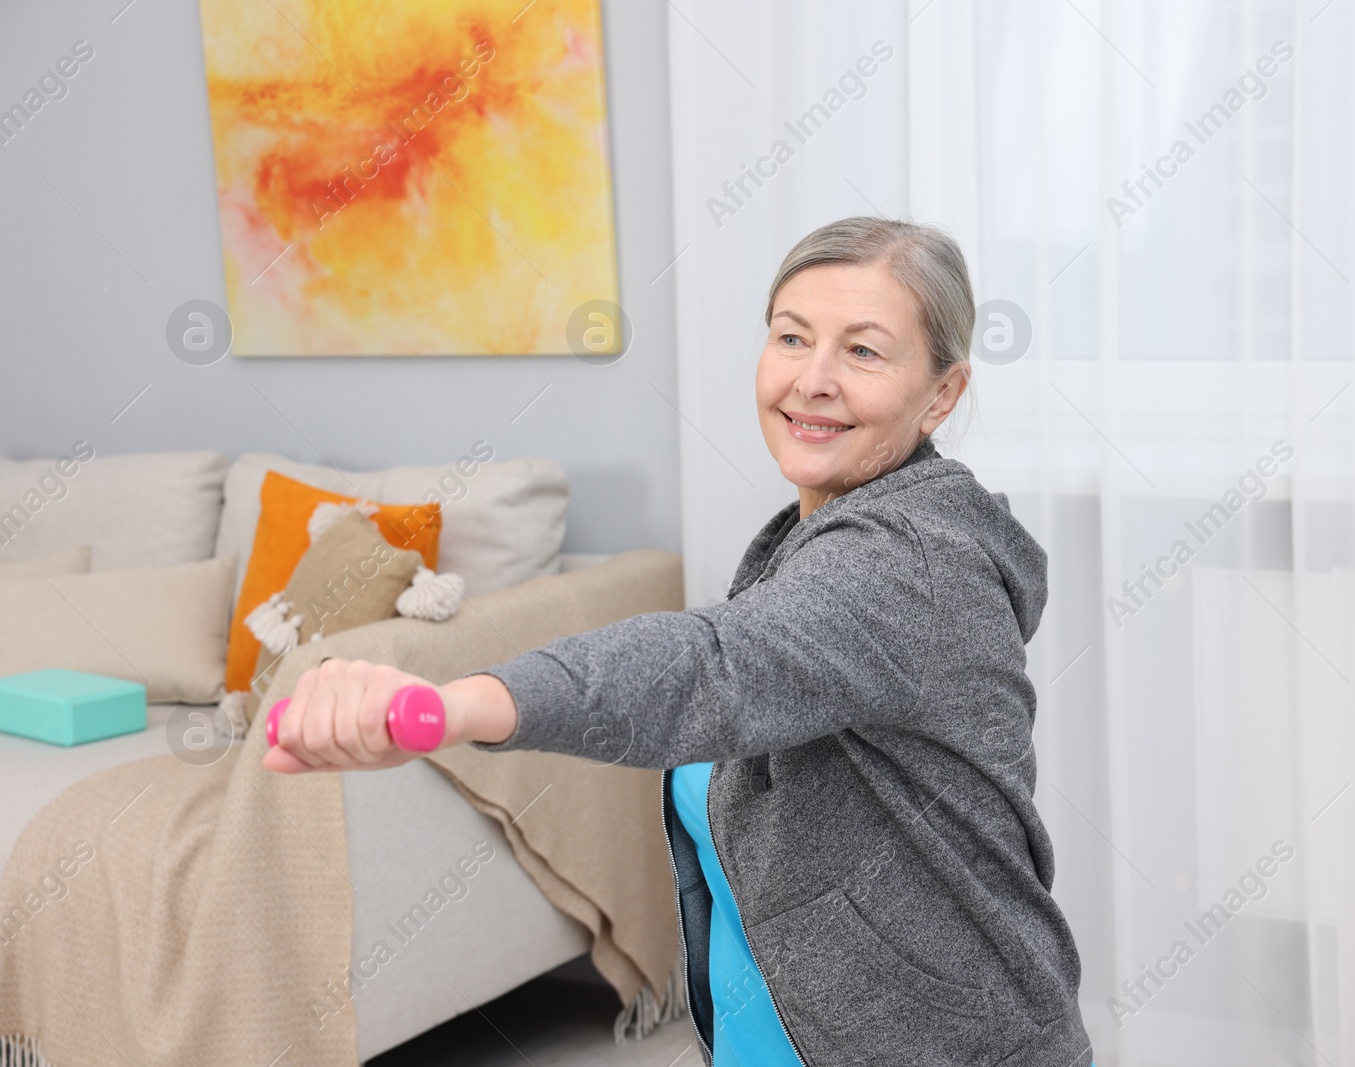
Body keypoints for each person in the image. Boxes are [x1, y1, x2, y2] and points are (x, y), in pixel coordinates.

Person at [263, 216, 1094, 1067]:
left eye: (864, 352)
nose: (811, 380)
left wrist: (452, 705)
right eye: (791, 337)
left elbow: (713, 668)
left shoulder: (907, 561)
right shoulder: (805, 544)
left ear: (942, 394)